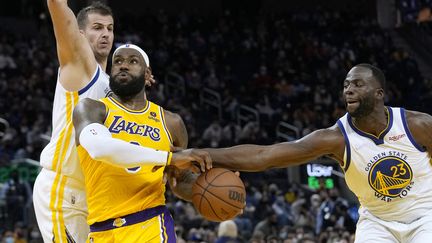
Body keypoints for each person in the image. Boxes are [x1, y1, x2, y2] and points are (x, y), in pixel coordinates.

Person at [203, 63, 432, 243]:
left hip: (426, 216)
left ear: (379, 93)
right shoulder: (336, 138)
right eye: (346, 85)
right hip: (377, 222)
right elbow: (266, 155)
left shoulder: (418, 125)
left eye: (358, 84)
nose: (349, 90)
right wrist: (203, 155)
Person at [32, 1, 156, 242]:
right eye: (97, 27)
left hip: (95, 196)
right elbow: (58, 9)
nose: (106, 34)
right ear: (79, 34)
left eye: (110, 28)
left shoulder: (112, 86)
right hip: (65, 189)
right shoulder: (79, 65)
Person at [73, 43, 211, 242]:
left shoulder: (171, 122)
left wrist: (208, 190)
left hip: (149, 224)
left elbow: (180, 181)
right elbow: (99, 148)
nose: (123, 65)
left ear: (148, 75)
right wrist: (170, 157)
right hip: (100, 230)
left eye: (133, 61)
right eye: (117, 61)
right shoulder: (92, 109)